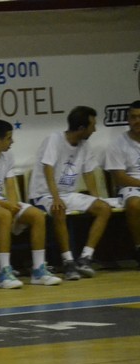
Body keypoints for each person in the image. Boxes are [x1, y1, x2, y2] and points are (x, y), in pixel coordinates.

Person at [0, 119, 61, 288]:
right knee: (4, 215)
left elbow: (10, 186)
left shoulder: (7, 157)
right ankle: (4, 272)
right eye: (9, 138)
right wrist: (7, 206)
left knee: (37, 215)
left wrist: (14, 205)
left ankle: (38, 270)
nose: (12, 141)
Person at [27, 105, 113, 279]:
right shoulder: (54, 140)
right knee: (59, 209)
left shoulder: (85, 145)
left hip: (68, 193)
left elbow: (88, 173)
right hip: (43, 194)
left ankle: (85, 258)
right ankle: (68, 262)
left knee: (103, 208)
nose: (95, 130)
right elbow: (48, 169)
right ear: (81, 128)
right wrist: (56, 198)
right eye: (92, 126)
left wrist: (95, 198)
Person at [104, 99, 140, 268]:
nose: (137, 121)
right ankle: (139, 248)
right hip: (130, 187)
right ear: (128, 120)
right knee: (134, 204)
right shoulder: (118, 144)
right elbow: (119, 177)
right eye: (133, 117)